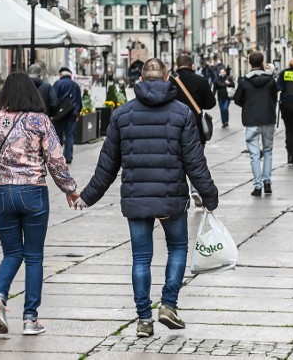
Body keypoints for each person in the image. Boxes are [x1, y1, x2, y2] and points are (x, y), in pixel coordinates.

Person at [72, 58, 219, 338]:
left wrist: (87, 197)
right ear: (167, 79)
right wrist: (209, 197)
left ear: (139, 80)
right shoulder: (182, 114)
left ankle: (143, 319)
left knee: (141, 257)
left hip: (137, 198)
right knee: (177, 248)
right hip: (171, 198)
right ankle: (168, 304)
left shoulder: (123, 115)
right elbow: (194, 163)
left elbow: (108, 165)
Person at [0, 72, 80, 336]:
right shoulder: (41, 120)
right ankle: (30, 319)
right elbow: (56, 160)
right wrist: (70, 190)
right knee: (34, 257)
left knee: (11, 253)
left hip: (1, 192)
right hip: (33, 191)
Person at [173, 53, 217, 207]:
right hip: (196, 128)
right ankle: (195, 190)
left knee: (176, 160)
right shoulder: (201, 80)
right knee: (195, 161)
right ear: (192, 66)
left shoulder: (171, 82)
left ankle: (178, 192)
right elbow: (211, 103)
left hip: (174, 127)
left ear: (176, 65)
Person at [233, 51, 278, 196]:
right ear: (263, 62)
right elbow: (274, 97)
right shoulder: (270, 80)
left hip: (251, 120)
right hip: (268, 118)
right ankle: (267, 182)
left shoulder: (244, 81)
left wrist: (247, 105)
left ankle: (257, 186)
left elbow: (237, 99)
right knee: (268, 151)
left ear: (250, 63)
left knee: (254, 155)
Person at [52, 67, 82, 164]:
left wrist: (53, 113)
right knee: (69, 136)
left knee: (58, 135)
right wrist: (77, 113)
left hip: (60, 114)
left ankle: (59, 156)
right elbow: (79, 101)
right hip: (72, 114)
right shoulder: (75, 85)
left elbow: (53, 100)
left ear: (61, 74)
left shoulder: (57, 84)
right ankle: (68, 156)